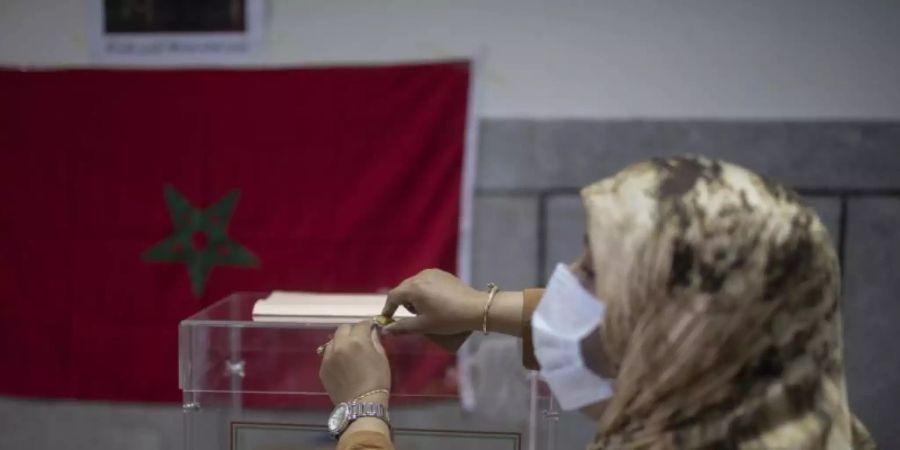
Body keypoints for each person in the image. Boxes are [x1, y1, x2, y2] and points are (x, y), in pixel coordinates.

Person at [319, 156, 876, 449]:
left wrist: (363, 413)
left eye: (593, 274)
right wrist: (479, 309)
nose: (564, 292)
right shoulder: (803, 417)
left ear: (674, 334)